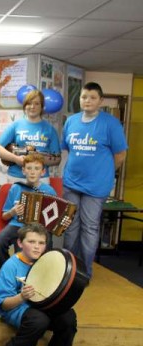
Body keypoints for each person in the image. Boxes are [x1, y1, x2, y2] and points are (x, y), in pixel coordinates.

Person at [62, 82, 127, 277]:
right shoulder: (71, 121)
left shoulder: (111, 123)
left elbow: (120, 154)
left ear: (100, 101)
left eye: (92, 97)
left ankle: (84, 273)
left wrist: (105, 173)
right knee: (70, 227)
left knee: (89, 228)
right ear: (79, 99)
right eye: (84, 97)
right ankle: (67, 272)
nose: (87, 101)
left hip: (96, 187)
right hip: (71, 183)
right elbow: (66, 149)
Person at [0, 223, 77, 346]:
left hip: (43, 306)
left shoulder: (48, 261)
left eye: (41, 243)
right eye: (31, 242)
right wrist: (22, 296)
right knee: (39, 320)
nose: (37, 247)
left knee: (68, 317)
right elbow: (4, 305)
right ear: (20, 243)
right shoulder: (10, 266)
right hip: (17, 307)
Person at [0, 153, 56, 267]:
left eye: (36, 169)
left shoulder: (49, 191)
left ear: (42, 172)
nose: (32, 172)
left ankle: (39, 273)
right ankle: (8, 270)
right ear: (23, 170)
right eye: (29, 168)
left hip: (39, 227)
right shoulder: (16, 188)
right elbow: (4, 216)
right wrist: (12, 212)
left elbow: (54, 217)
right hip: (17, 224)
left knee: (47, 241)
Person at [0, 89, 61, 184]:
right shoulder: (16, 125)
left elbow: (57, 159)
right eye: (29, 103)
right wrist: (15, 159)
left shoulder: (50, 129)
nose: (32, 107)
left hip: (41, 179)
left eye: (36, 104)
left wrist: (37, 159)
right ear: (25, 106)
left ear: (42, 106)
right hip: (16, 177)